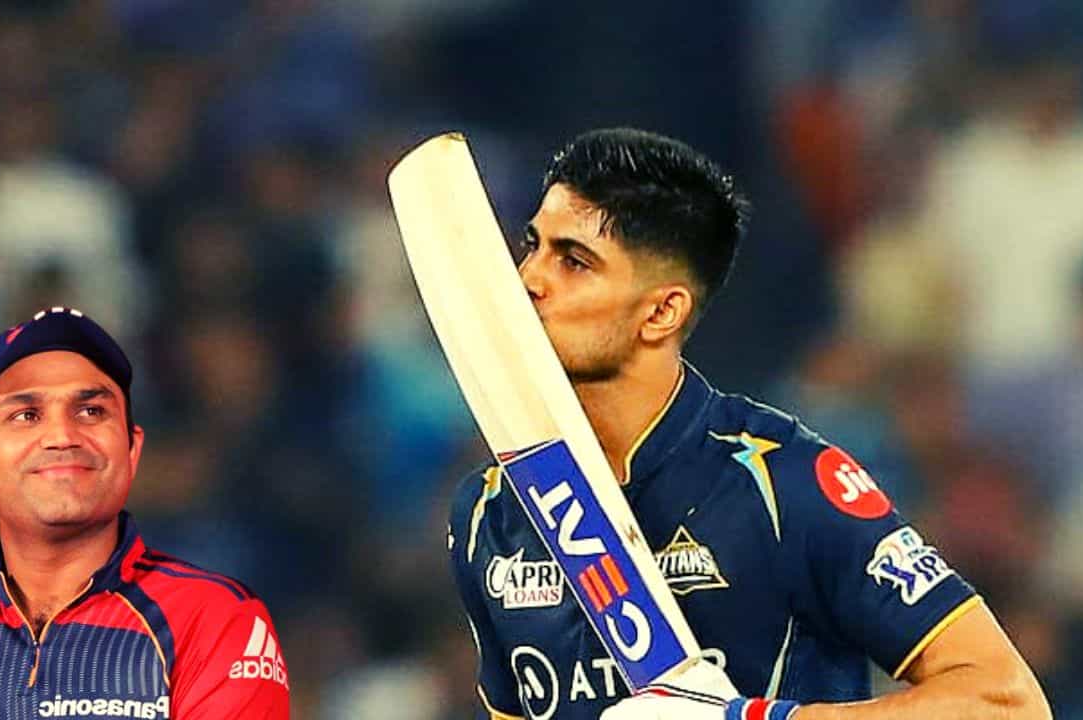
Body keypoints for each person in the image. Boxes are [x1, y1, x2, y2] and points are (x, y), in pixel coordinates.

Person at [445, 129, 1050, 720]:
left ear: (662, 311)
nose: (528, 279)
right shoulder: (488, 512)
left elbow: (1008, 702)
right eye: (533, 246)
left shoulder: (785, 483)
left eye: (574, 262)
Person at [0, 307, 289, 720]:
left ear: (132, 450)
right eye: (26, 415)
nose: (61, 435)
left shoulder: (215, 621)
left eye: (91, 411)